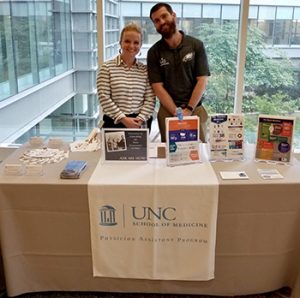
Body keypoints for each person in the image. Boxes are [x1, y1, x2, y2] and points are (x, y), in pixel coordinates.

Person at [147, 2, 210, 142]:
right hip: (168, 111)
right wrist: (177, 112)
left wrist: (189, 109)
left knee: (199, 154)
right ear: (155, 26)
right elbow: (157, 87)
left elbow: (202, 80)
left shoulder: (196, 45)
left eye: (164, 16)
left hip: (195, 109)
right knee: (169, 156)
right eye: (157, 21)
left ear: (173, 16)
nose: (162, 22)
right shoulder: (153, 52)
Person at [97, 22, 155, 131]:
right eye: (127, 41)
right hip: (114, 122)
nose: (131, 46)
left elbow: (150, 99)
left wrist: (140, 119)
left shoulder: (145, 70)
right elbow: (104, 97)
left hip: (139, 123)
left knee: (139, 149)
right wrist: (123, 119)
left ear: (140, 45)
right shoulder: (107, 68)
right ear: (120, 42)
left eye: (136, 42)